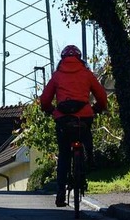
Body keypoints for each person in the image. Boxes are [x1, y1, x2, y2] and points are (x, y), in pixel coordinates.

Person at [39, 45, 108, 207]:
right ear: (80, 58)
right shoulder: (87, 74)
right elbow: (102, 96)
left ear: (62, 59)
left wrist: (51, 110)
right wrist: (96, 108)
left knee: (63, 155)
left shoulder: (57, 76)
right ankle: (89, 159)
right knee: (85, 135)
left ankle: (61, 194)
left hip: (63, 119)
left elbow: (44, 101)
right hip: (83, 116)